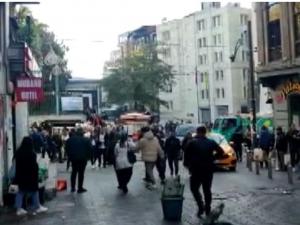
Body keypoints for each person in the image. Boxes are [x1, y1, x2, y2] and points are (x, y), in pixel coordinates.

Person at [184, 126, 226, 218]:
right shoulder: (211, 142)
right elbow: (222, 152)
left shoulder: (191, 143)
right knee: (207, 190)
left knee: (194, 189)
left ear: (197, 132)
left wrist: (189, 165)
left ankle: (200, 205)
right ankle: (207, 208)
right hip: (208, 169)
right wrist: (213, 158)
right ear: (205, 132)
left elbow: (186, 157)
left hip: (196, 170)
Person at [15, 137, 48, 216]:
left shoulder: (18, 152)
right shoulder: (31, 153)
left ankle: (18, 209)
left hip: (21, 175)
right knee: (34, 191)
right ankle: (37, 207)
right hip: (30, 176)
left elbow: (17, 165)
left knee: (20, 192)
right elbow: (34, 166)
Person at [65, 128, 92, 193]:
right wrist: (88, 158)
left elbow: (67, 149)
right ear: (82, 133)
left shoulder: (70, 140)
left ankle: (73, 188)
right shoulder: (86, 140)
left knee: (74, 173)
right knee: (81, 173)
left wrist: (70, 156)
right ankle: (80, 188)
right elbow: (90, 149)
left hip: (74, 159)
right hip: (83, 159)